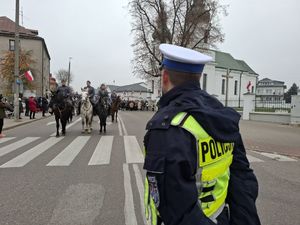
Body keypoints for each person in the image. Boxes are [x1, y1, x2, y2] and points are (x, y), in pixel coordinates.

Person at [143, 44, 261, 225]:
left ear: (165, 77)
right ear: (198, 77)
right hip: (221, 217)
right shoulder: (221, 114)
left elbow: (177, 212)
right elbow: (243, 179)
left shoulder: (166, 127)